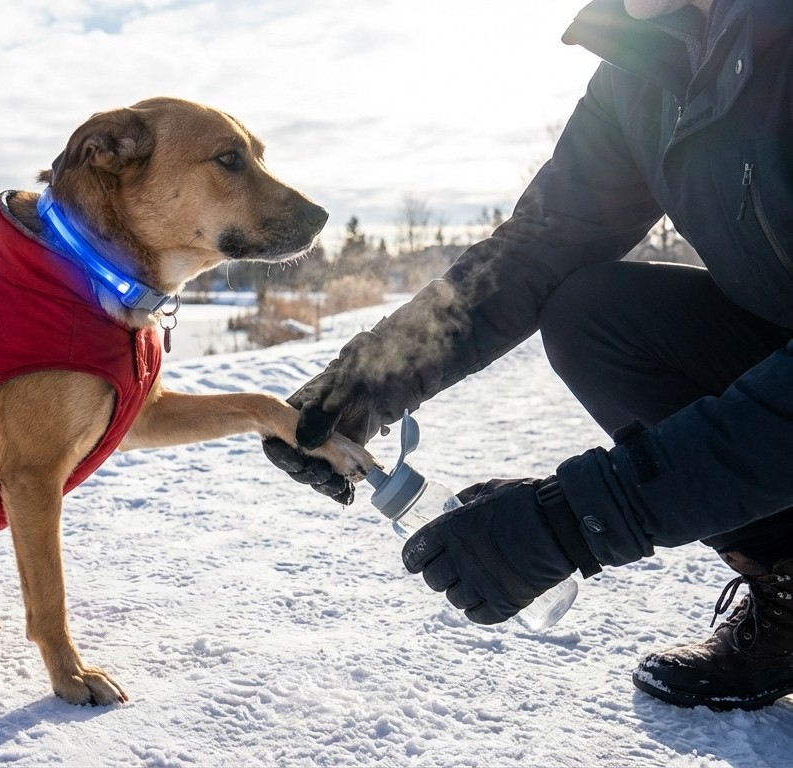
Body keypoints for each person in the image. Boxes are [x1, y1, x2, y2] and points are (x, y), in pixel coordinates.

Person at [264, 0, 793, 711]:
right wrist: (366, 383)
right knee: (595, 312)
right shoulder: (643, 66)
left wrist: (575, 518)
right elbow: (540, 246)